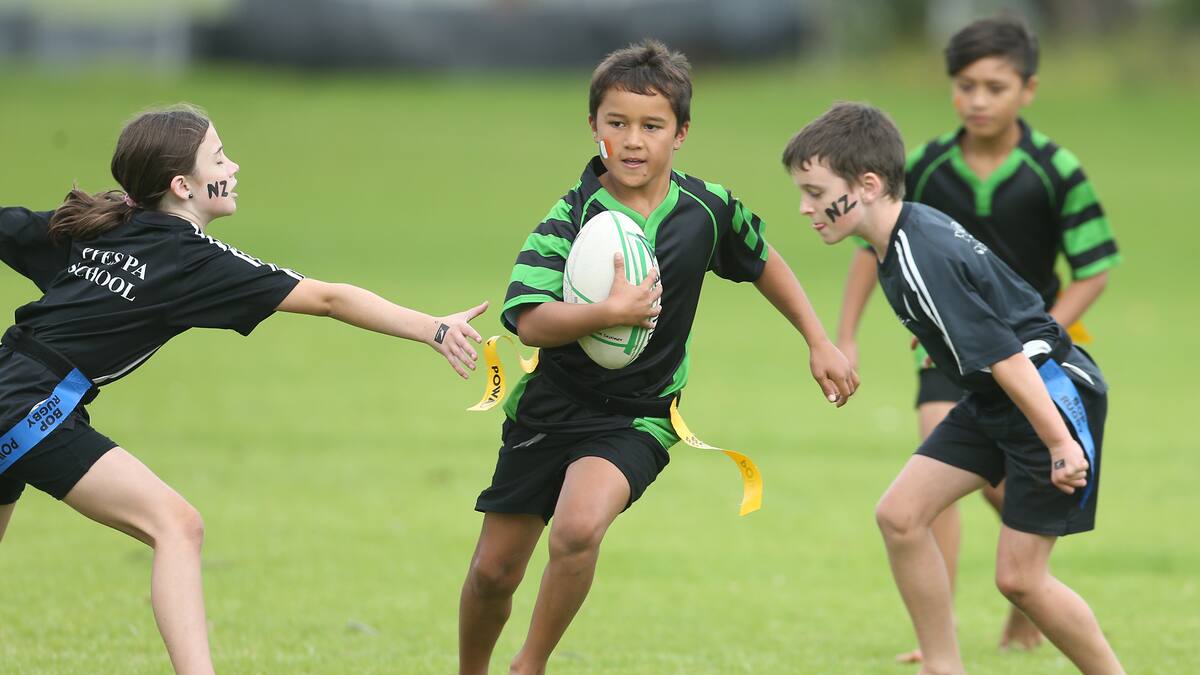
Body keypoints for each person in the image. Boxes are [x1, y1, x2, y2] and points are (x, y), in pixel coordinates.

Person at [0, 104, 488, 675]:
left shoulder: (105, 224)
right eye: (219, 157)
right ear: (183, 186)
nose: (234, 165)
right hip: (35, 406)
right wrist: (434, 327)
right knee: (177, 526)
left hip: (18, 390)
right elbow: (329, 298)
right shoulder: (189, 259)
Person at [458, 40, 857, 675]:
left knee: (578, 529)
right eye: (617, 124)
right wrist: (605, 314)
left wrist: (818, 339)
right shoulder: (568, 219)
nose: (634, 141)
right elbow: (528, 321)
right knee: (493, 572)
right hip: (551, 408)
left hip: (639, 417)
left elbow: (762, 259)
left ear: (682, 133)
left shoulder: (707, 208)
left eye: (652, 126)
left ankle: (527, 666)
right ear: (594, 128)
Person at [784, 101, 1124, 675]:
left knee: (1021, 580)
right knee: (900, 516)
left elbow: (1010, 357)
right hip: (997, 398)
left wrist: (1060, 443)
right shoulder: (897, 238)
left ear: (866, 185)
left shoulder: (921, 254)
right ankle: (942, 667)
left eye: (816, 192)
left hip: (1049, 395)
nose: (805, 207)